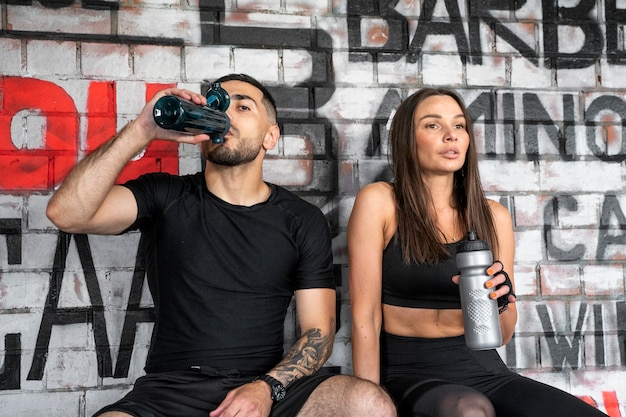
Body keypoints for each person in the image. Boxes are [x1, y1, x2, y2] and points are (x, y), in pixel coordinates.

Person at [47, 73, 396, 417]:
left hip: (266, 388)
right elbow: (67, 213)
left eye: (242, 107)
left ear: (270, 137)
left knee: (369, 404)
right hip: (171, 392)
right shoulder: (164, 195)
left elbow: (318, 333)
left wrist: (265, 390)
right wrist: (142, 130)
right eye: (218, 106)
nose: (225, 115)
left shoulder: (301, 219)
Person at [347, 87, 609, 417]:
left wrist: (502, 301)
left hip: (484, 369)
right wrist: (367, 402)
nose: (450, 136)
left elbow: (503, 335)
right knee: (469, 411)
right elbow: (365, 318)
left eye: (459, 126)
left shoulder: (492, 216)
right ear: (407, 140)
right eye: (432, 125)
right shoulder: (381, 201)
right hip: (406, 370)